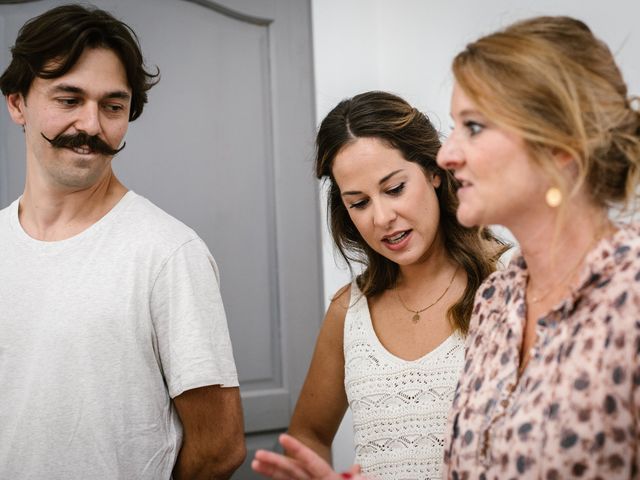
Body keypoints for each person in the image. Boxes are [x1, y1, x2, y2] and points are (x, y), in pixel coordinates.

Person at [252, 15, 640, 480]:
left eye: (472, 127)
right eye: (358, 202)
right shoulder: (504, 300)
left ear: (557, 143)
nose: (449, 154)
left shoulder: (618, 291)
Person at [0, 4, 245, 479]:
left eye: (112, 106)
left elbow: (219, 448)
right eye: (68, 100)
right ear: (17, 104)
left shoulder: (169, 254)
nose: (91, 125)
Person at [282, 91, 504, 479]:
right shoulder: (348, 311)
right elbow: (308, 436)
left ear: (434, 172)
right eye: (359, 203)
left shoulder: (509, 283)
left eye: (394, 188)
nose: (382, 217)